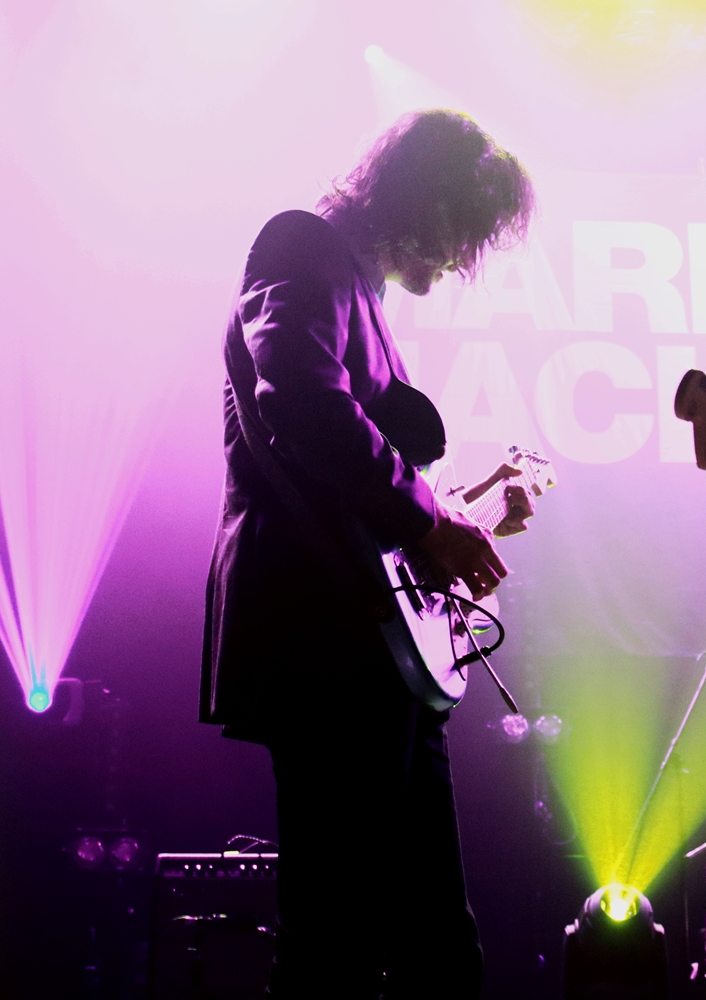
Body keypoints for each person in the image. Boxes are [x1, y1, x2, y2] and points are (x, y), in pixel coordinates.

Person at [200, 110, 536, 999]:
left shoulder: (354, 284)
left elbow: (358, 486)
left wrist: (459, 520)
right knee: (336, 940)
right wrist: (430, 525)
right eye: (462, 230)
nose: (461, 258)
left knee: (438, 941)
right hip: (324, 640)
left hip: (373, 650)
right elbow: (303, 404)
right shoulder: (300, 246)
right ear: (423, 200)